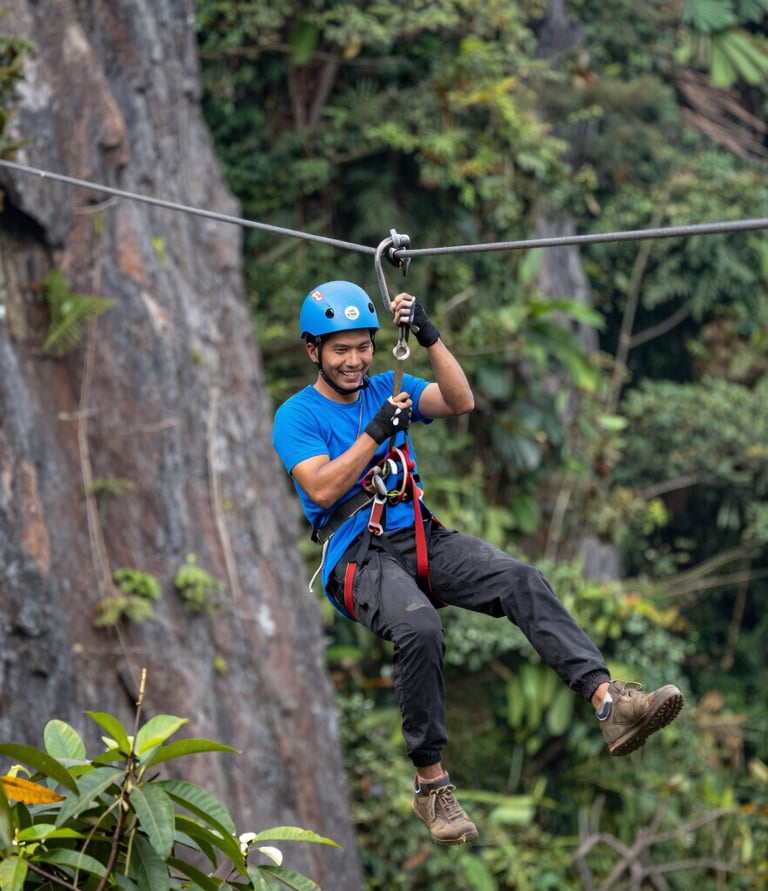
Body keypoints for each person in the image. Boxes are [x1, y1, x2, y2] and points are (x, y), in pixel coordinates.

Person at [272, 280, 684, 847]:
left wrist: (427, 334)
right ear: (313, 351)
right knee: (418, 625)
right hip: (358, 558)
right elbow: (320, 488)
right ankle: (431, 784)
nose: (354, 360)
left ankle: (608, 702)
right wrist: (375, 434)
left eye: (363, 347)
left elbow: (460, 399)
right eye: (339, 349)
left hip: (419, 538)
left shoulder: (389, 388)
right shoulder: (296, 415)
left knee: (520, 579)